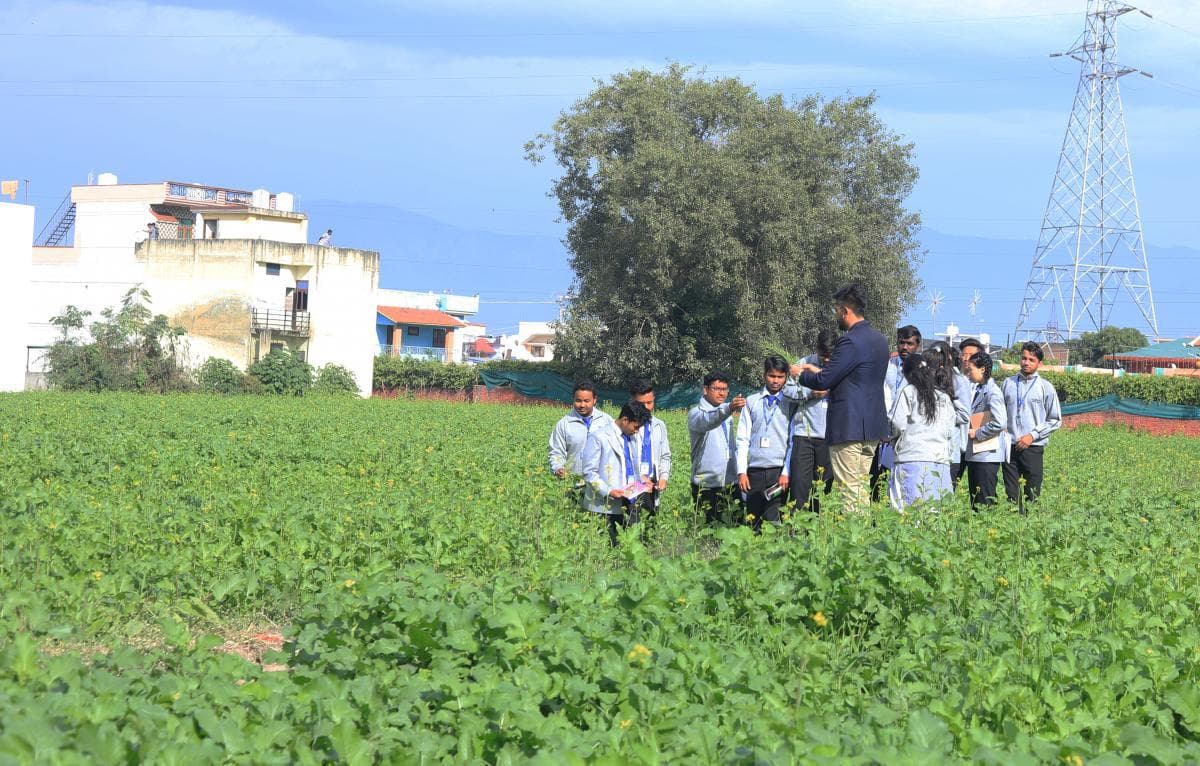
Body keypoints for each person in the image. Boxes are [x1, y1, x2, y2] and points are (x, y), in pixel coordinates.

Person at [796, 284, 890, 511]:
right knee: (860, 487)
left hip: (848, 426)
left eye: (835, 310)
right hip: (872, 427)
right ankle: (863, 539)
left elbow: (824, 381)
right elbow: (853, 377)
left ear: (845, 310)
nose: (835, 315)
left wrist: (802, 375)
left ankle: (854, 542)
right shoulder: (880, 341)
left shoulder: (849, 341)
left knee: (848, 490)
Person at [888, 351, 957, 511]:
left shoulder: (909, 391)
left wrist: (895, 437)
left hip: (911, 457)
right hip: (939, 461)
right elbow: (949, 429)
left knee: (907, 511)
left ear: (907, 374)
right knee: (936, 513)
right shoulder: (943, 396)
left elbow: (897, 423)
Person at [736, 357, 797, 530]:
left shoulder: (790, 403)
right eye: (771, 376)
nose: (775, 381)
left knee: (774, 520)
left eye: (780, 377)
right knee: (752, 519)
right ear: (764, 376)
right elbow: (742, 439)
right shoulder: (752, 401)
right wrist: (742, 472)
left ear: (786, 378)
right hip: (754, 470)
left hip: (778, 472)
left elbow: (792, 441)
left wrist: (786, 472)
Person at [581, 401, 653, 546]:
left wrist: (644, 481)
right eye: (636, 426)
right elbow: (589, 473)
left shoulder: (632, 437)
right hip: (605, 506)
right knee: (609, 547)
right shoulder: (599, 437)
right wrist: (608, 491)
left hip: (630, 502)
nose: (637, 431)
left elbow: (633, 465)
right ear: (625, 420)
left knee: (631, 546)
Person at [1002, 342, 1062, 513]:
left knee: (1032, 495)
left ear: (1039, 364)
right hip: (1010, 447)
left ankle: (1029, 530)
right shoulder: (1008, 383)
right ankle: (1013, 530)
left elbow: (1055, 419)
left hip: (1033, 448)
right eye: (1023, 358)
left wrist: (1032, 435)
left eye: (1031, 359)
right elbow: (999, 412)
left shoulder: (1046, 388)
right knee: (1012, 495)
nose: (1026, 362)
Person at [785, 330, 836, 514]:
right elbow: (787, 391)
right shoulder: (803, 363)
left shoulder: (839, 366)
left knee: (823, 486)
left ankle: (818, 526)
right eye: (824, 356)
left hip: (828, 436)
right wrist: (810, 394)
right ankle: (797, 527)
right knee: (800, 483)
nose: (827, 360)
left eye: (831, 356)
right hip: (803, 434)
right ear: (816, 349)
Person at [687, 372, 746, 525]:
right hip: (707, 484)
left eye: (725, 389)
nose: (722, 393)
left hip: (730, 482)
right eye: (717, 388)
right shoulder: (697, 414)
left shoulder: (725, 413)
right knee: (710, 530)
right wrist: (729, 408)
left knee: (736, 527)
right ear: (705, 390)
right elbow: (709, 421)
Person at [874, 325, 922, 501]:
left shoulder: (921, 369)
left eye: (909, 344)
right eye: (901, 343)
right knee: (879, 478)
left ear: (917, 345)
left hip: (906, 430)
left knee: (904, 478)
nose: (905, 347)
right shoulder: (888, 365)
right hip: (883, 428)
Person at [962, 352, 1007, 509]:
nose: (968, 374)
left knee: (984, 502)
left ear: (982, 369)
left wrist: (978, 433)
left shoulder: (993, 392)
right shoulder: (979, 389)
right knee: (975, 502)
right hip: (976, 454)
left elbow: (1000, 422)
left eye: (971, 370)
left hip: (987, 456)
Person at [548, 379, 613, 482]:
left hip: (602, 483)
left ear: (594, 400)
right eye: (578, 401)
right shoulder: (564, 424)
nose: (582, 405)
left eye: (586, 401)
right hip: (573, 482)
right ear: (573, 400)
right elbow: (556, 451)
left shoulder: (606, 421)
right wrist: (558, 468)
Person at [926, 341, 971, 487]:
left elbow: (964, 415)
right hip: (926, 451)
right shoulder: (924, 380)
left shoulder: (958, 380)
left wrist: (943, 416)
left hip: (949, 451)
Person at [628, 378, 672, 517]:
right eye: (642, 404)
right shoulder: (625, 425)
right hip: (631, 484)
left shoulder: (659, 426)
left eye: (650, 402)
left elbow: (665, 455)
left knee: (651, 528)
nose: (646, 407)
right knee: (631, 526)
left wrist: (663, 477)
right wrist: (639, 478)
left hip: (652, 485)